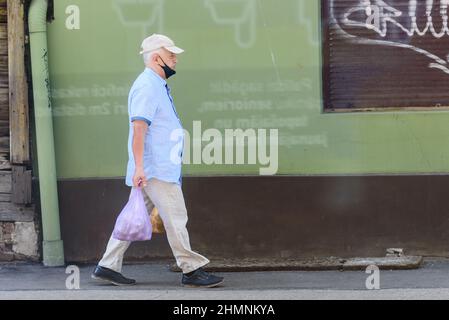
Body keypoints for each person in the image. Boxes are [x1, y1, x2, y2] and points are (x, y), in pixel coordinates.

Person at [91, 34, 224, 288]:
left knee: (132, 215)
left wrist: (141, 167)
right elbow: (139, 128)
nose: (175, 59)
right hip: (156, 169)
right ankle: (191, 269)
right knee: (176, 216)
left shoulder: (155, 84)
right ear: (155, 58)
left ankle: (107, 265)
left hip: (153, 167)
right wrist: (140, 167)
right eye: (171, 55)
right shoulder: (147, 86)